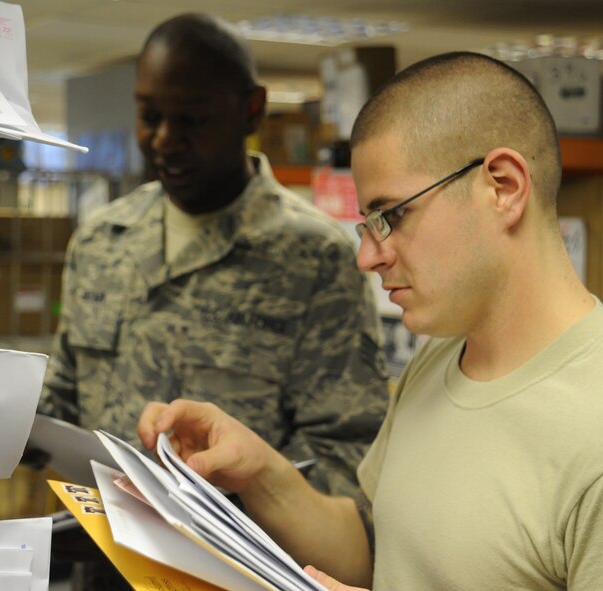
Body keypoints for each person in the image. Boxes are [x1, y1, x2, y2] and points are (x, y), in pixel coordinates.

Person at [138, 51, 603, 590]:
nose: (367, 256)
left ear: (502, 187)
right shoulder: (441, 354)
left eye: (391, 217)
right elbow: (379, 552)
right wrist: (262, 475)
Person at [39, 12, 388, 498]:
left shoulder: (314, 258)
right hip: (102, 559)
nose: (163, 140)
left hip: (238, 566)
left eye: (191, 119)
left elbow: (347, 452)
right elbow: (63, 398)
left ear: (250, 110)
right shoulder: (102, 239)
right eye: (149, 116)